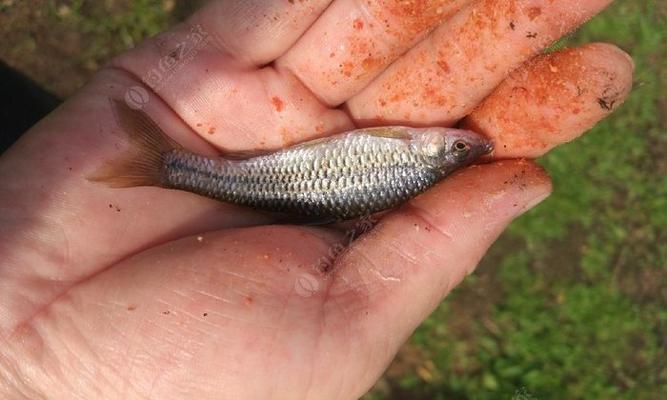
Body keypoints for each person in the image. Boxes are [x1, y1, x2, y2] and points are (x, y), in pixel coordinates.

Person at [0, 1, 633, 398]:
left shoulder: (410, 154)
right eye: (458, 150)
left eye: (455, 151)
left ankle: (162, 167)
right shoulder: (413, 156)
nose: (458, 143)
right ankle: (159, 167)